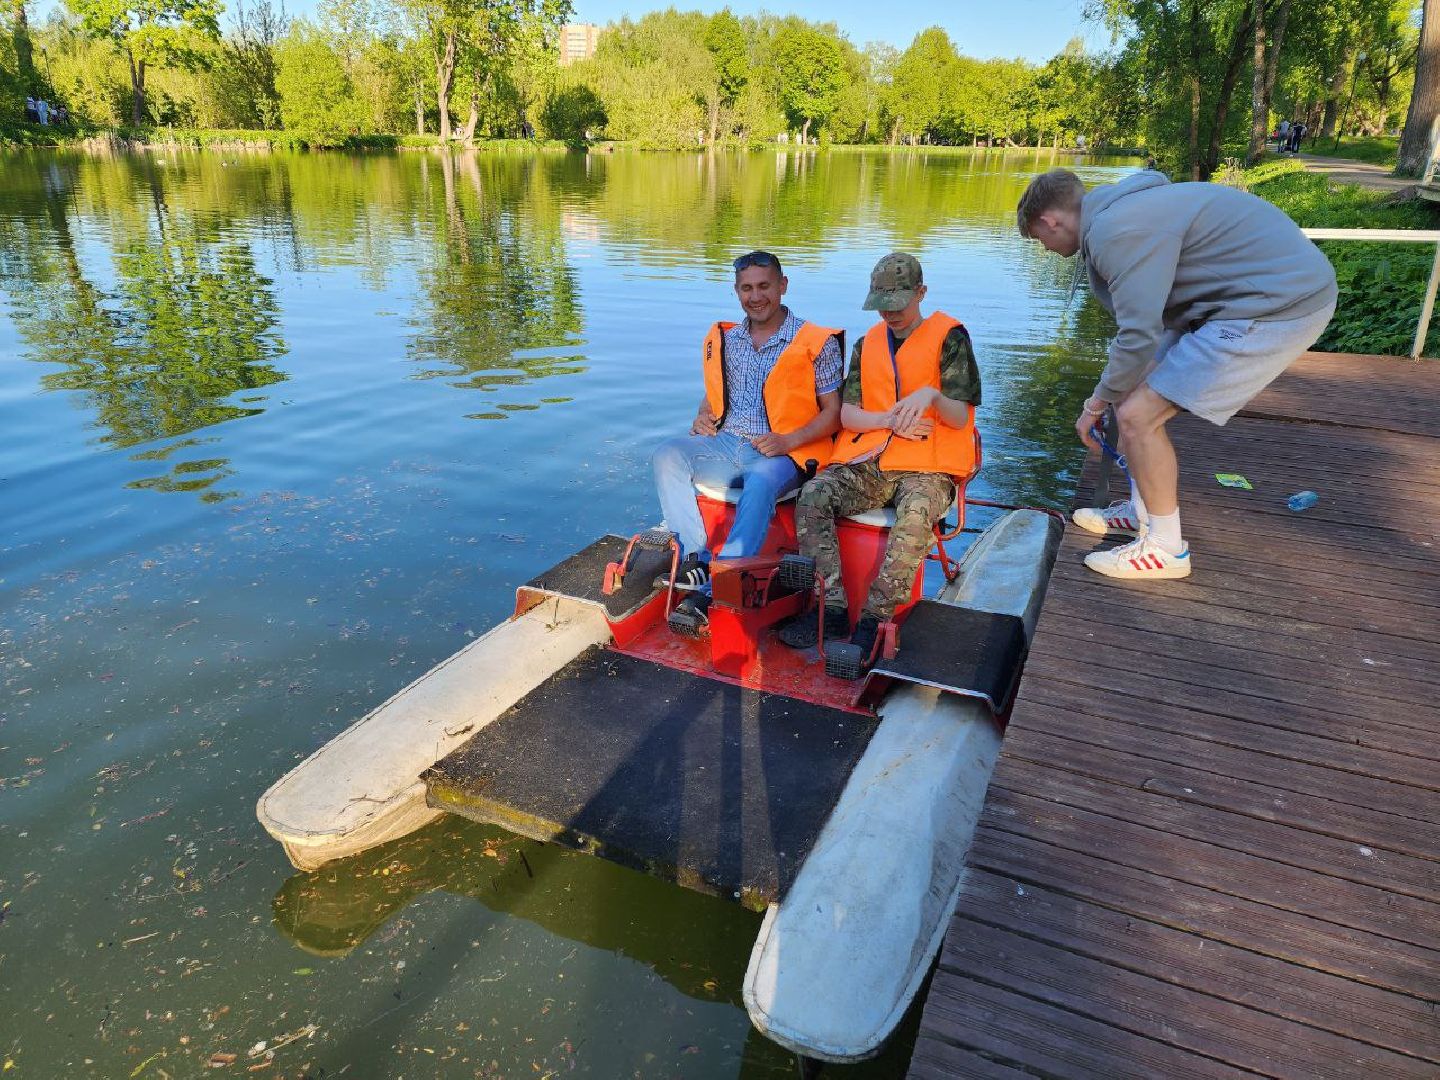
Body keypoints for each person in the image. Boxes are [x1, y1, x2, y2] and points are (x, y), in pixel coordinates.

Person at [1015, 168, 1336, 580]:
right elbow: (1143, 330)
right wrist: (1109, 393)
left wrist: (1093, 405)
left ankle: (1166, 549)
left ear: (1050, 220)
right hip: (1237, 300)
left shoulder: (1117, 230)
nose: (1046, 249)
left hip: (1276, 305)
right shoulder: (1123, 211)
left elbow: (1137, 335)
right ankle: (1141, 509)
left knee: (1138, 417)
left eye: (1041, 241)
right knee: (1125, 395)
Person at [777, 253, 981, 663]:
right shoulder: (867, 343)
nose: (890, 313)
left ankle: (874, 621)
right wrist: (890, 421)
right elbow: (849, 413)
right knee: (814, 494)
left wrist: (930, 396)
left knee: (917, 511)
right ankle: (829, 609)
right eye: (882, 304)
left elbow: (959, 417)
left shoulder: (951, 338)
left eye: (899, 303)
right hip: (874, 460)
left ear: (921, 293)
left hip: (929, 468)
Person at [653, 250, 844, 632]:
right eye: (746, 288)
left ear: (782, 286)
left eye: (764, 286)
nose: (755, 296)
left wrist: (790, 441)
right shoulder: (729, 339)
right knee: (667, 455)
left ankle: (716, 586)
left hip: (783, 453)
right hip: (727, 443)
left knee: (759, 484)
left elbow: (834, 413)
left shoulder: (815, 343)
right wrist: (703, 413)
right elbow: (716, 391)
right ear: (736, 291)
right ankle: (696, 558)